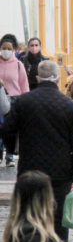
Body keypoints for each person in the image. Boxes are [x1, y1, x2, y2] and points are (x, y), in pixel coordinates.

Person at [1, 61, 73, 242]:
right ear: (58, 78)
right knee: (58, 220)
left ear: (38, 78)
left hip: (30, 169)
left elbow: (6, 129)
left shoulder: (24, 102)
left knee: (30, 216)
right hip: (60, 172)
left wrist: (13, 149)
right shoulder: (70, 106)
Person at [0, 34, 28, 167]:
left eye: (9, 49)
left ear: (13, 50)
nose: (6, 51)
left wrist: (26, 102)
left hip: (14, 99)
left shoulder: (18, 65)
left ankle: (10, 157)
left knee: (11, 129)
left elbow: (24, 85)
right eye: (3, 48)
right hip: (0, 99)